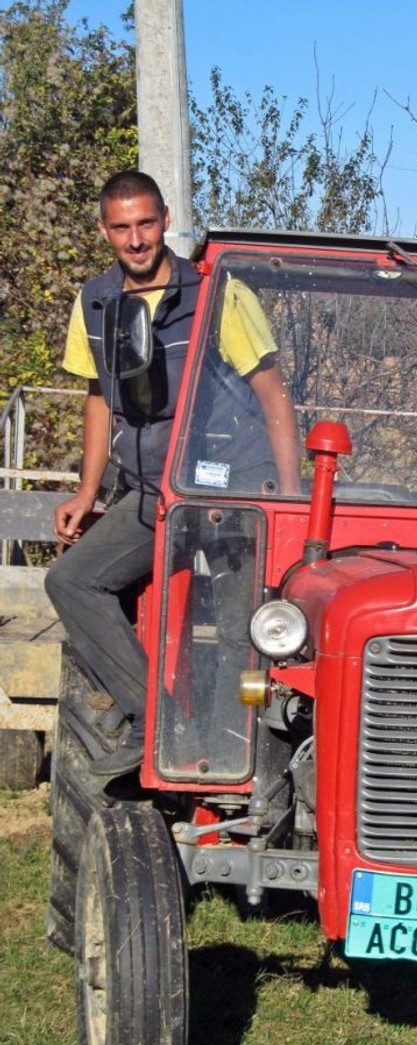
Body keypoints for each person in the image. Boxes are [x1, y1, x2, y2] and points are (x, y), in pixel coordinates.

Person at [45, 170, 301, 777]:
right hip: (152, 492)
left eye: (147, 223)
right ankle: (156, 721)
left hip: (234, 491)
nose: (136, 239)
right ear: (104, 230)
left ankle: (238, 765)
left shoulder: (219, 291)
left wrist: (288, 497)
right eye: (122, 227)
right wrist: (86, 491)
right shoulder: (96, 301)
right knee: (72, 581)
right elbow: (98, 398)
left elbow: (272, 393)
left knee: (243, 630)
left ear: (165, 219)